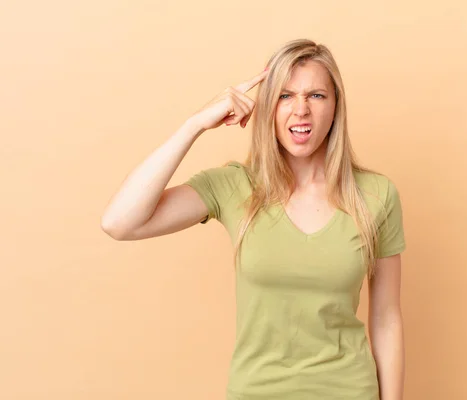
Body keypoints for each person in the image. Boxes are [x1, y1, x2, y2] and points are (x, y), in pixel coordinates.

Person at [101, 38, 407, 400]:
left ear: (336, 105)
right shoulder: (234, 186)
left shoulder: (375, 195)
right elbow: (120, 222)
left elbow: (386, 320)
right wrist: (194, 124)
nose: (301, 110)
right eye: (284, 95)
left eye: (316, 95)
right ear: (267, 107)